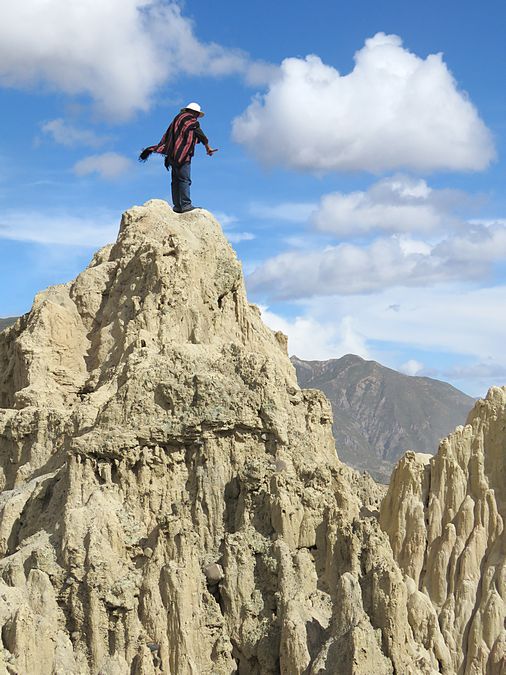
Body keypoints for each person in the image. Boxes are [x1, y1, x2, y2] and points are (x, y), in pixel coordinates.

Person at [139, 102, 218, 213]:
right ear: (193, 112)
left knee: (175, 180)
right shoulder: (190, 119)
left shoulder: (176, 120)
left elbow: (172, 135)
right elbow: (199, 133)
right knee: (185, 179)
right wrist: (207, 146)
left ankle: (177, 206)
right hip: (183, 154)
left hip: (173, 154)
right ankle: (185, 205)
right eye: (196, 114)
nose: (196, 117)